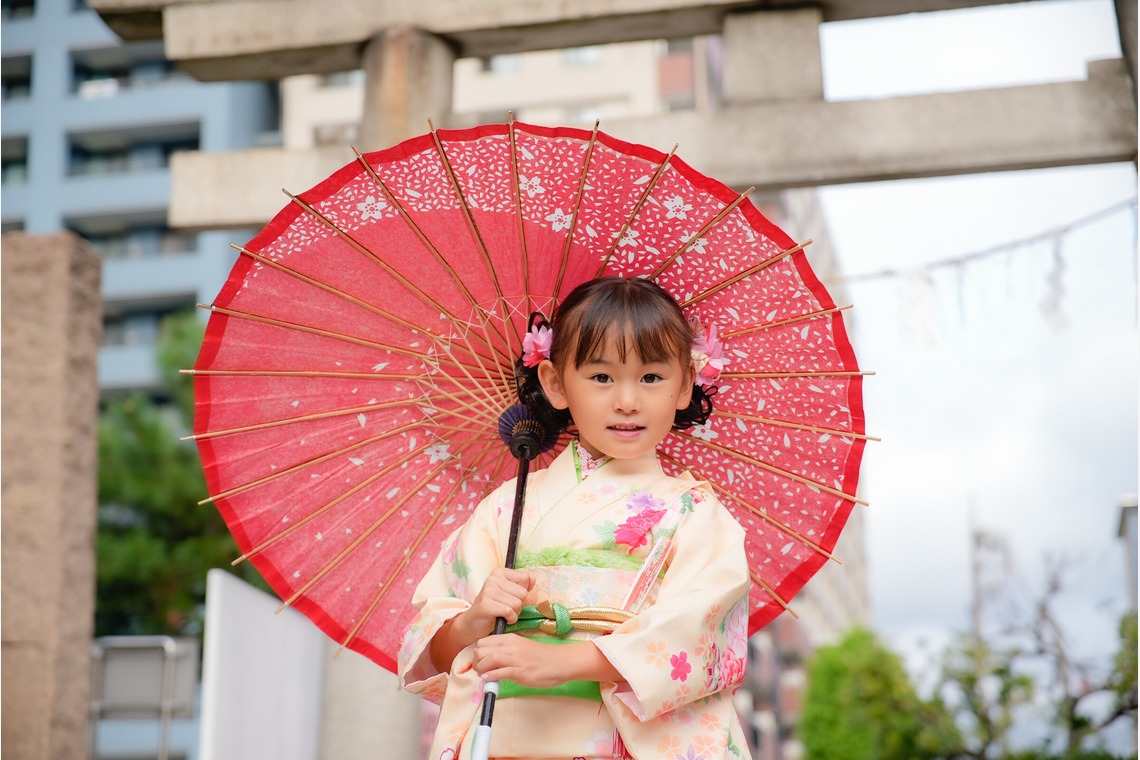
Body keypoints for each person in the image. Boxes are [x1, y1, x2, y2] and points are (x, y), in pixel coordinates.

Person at [398, 277, 753, 760]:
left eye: (651, 377)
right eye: (602, 377)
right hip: (507, 739)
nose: (627, 400)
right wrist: (475, 618)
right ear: (555, 383)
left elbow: (698, 638)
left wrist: (563, 662)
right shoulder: (505, 509)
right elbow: (439, 654)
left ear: (686, 384)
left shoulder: (696, 515)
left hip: (620, 741)